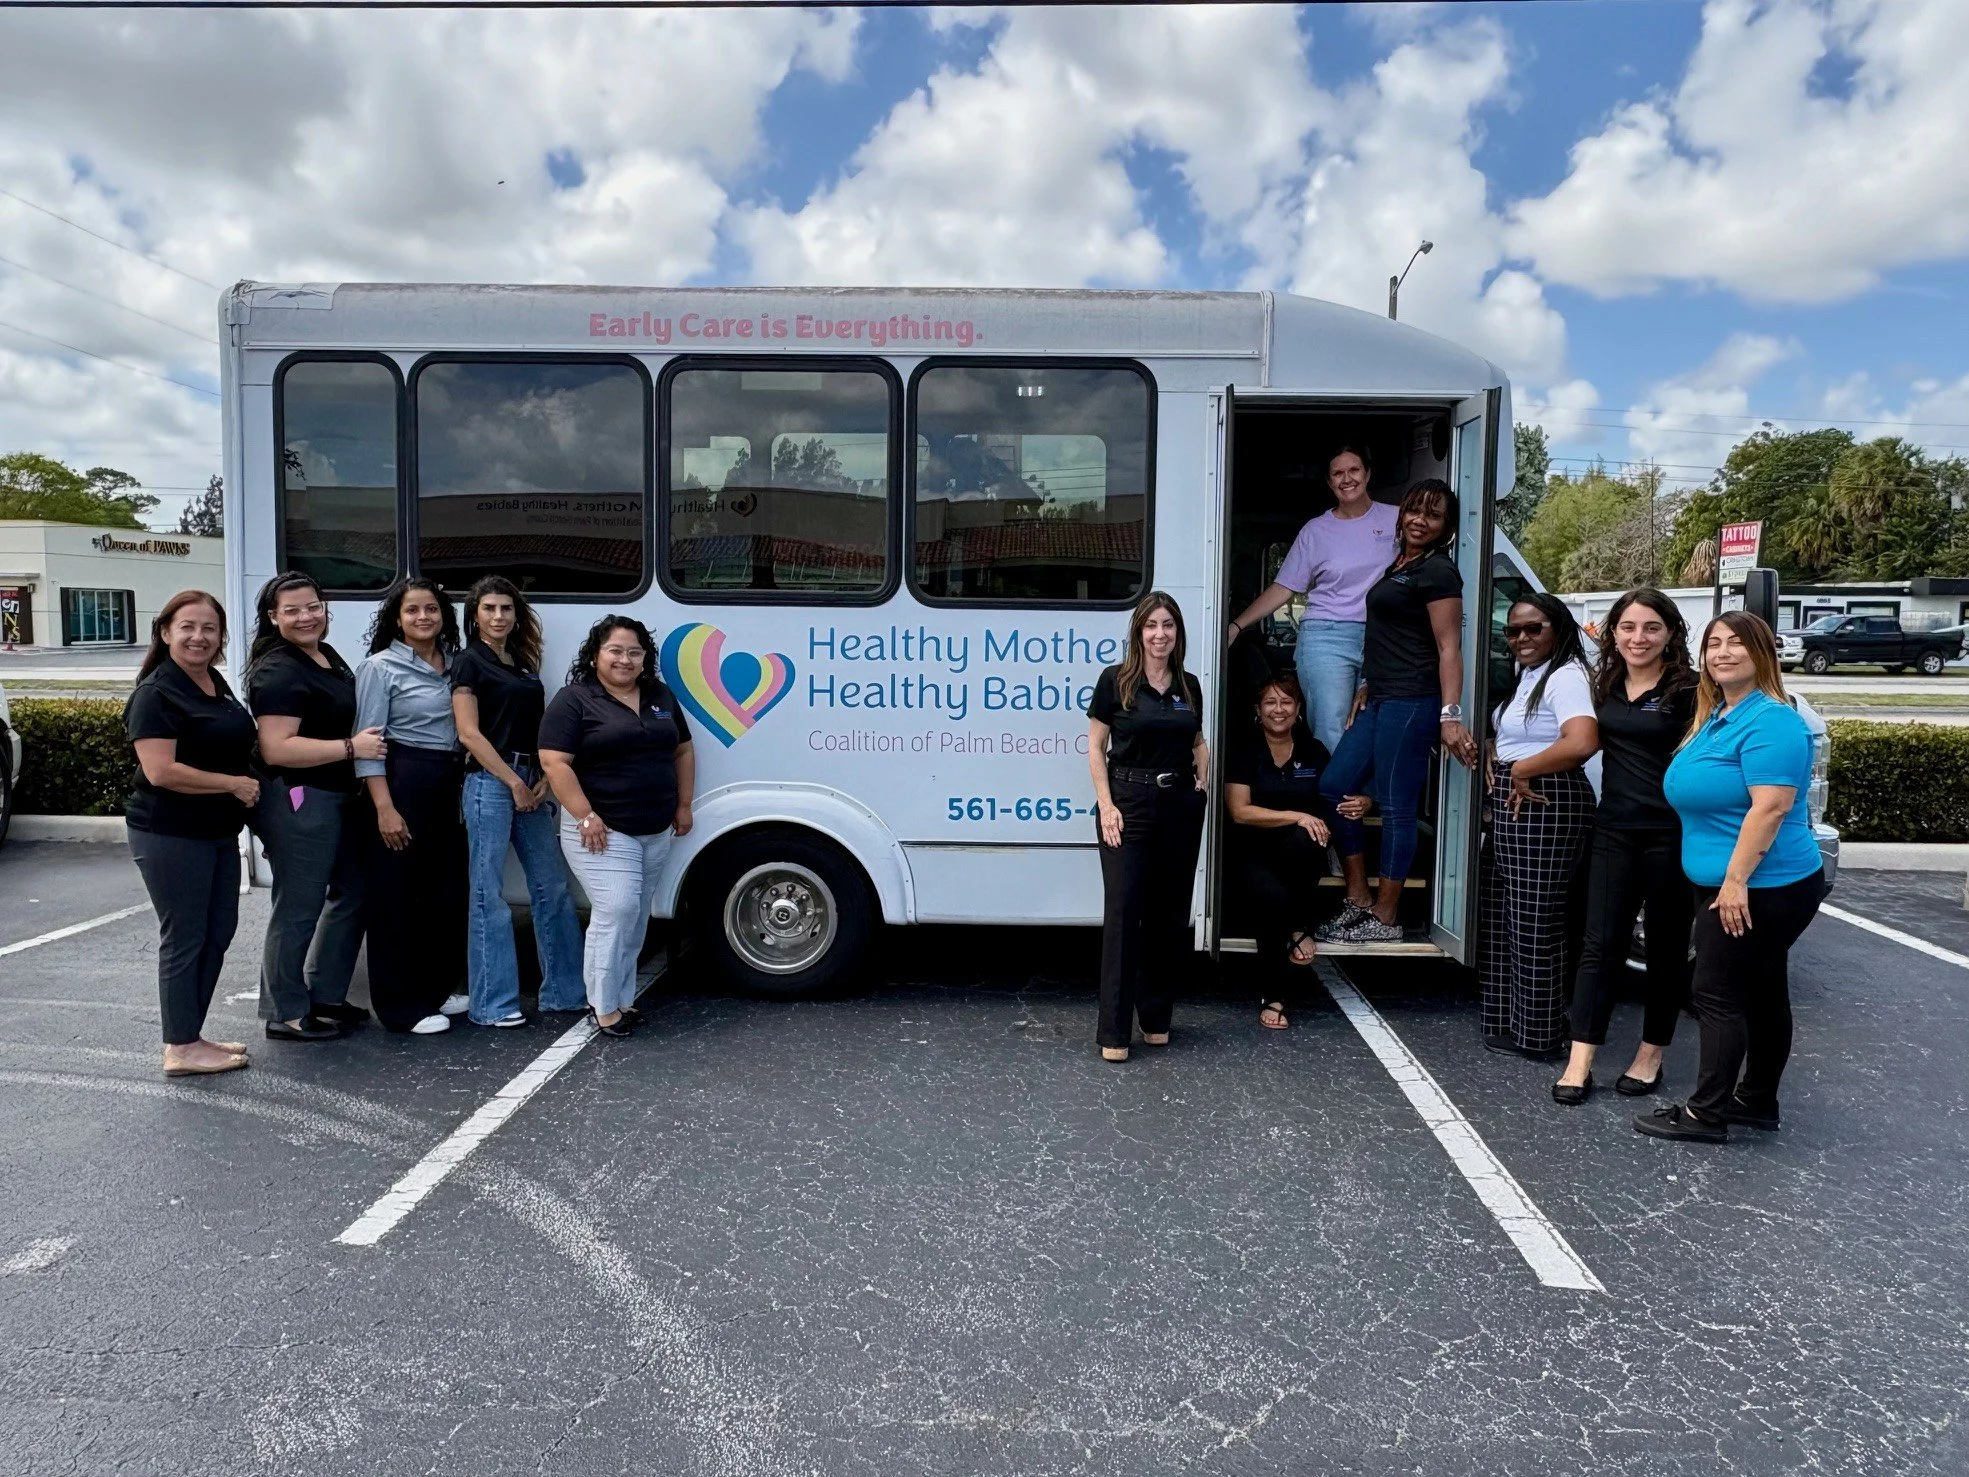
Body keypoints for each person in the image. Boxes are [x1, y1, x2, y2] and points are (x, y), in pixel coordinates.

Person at [1639, 612, 1826, 1144]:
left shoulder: (1773, 720)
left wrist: (1735, 881)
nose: (1722, 652)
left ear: (1763, 652)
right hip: (1732, 882)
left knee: (1715, 990)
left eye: (1737, 644)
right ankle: (1757, 1101)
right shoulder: (1720, 713)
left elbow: (1769, 809)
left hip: (1764, 885)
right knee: (1763, 989)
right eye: (1713, 644)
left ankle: (1707, 1114)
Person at [1315, 480, 1479, 944]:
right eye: (1414, 510)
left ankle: (1385, 918)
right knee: (1333, 785)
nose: (1420, 520)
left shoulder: (1439, 572)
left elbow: (1449, 648)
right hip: (1383, 696)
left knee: (1396, 807)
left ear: (1446, 527)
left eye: (1433, 515)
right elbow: (1394, 634)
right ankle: (1359, 896)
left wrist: (1450, 715)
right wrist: (1368, 682)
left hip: (1413, 701)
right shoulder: (1401, 564)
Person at [1553, 589, 1697, 1104]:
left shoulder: (1690, 691)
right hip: (1613, 829)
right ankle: (1580, 1059)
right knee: (1599, 947)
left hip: (1671, 835)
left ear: (1670, 634)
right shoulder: (1604, 684)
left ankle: (1650, 1053)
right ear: (1612, 632)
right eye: (1629, 627)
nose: (1639, 638)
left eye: (1651, 628)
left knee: (1665, 951)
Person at [245, 572, 385, 1043]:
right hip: (300, 797)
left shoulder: (324, 656)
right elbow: (277, 749)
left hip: (337, 797)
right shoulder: (279, 669)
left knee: (356, 891)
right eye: (292, 610)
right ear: (273, 617)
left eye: (313, 606)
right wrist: (352, 749)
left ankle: (324, 995)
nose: (306, 617)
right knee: (299, 906)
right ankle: (284, 1011)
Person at [539, 616, 696, 1039]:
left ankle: (622, 998)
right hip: (603, 829)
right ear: (595, 655)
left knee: (635, 917)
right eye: (615, 650)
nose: (625, 659)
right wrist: (585, 815)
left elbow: (682, 750)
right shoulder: (574, 700)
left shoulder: (659, 695)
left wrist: (683, 804)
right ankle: (603, 1006)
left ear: (645, 659)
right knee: (618, 909)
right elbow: (554, 762)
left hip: (656, 829)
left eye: (634, 652)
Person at [123, 591, 258, 1078]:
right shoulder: (156, 693)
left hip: (217, 832)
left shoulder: (211, 683)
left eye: (209, 628)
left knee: (216, 933)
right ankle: (179, 1046)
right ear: (165, 632)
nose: (199, 637)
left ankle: (192, 1034)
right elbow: (160, 771)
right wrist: (233, 784)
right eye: (188, 627)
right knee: (184, 937)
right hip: (171, 833)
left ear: (221, 637)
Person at [452, 576, 585, 1028]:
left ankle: (566, 993)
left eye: (506, 609)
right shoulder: (469, 663)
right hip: (491, 782)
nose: (498, 616)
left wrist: (544, 775)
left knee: (553, 887)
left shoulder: (522, 663)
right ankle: (493, 1004)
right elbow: (469, 733)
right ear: (474, 615)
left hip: (530, 779)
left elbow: (537, 724)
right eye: (489, 608)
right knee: (488, 893)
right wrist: (512, 781)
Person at [1087, 591, 1209, 1062]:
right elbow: (1096, 746)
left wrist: (1203, 764)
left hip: (1179, 803)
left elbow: (1196, 738)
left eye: (1169, 625)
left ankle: (1156, 1018)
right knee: (1124, 915)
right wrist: (1107, 805)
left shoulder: (1189, 685)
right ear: (1139, 632)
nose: (1161, 634)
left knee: (1170, 914)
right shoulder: (1115, 681)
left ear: (1178, 633)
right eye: (1152, 625)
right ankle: (1114, 1033)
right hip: (1128, 802)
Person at [1479, 593, 1599, 1061]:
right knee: (1505, 913)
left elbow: (1582, 740)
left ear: (1558, 629)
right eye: (1513, 631)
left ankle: (1540, 1035)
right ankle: (1513, 1022)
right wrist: (1496, 748)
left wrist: (1523, 768)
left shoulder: (1567, 675)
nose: (1522, 638)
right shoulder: (1531, 674)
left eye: (1534, 629)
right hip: (1519, 797)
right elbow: (1526, 732)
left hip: (1547, 800)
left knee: (1535, 922)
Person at [1228, 446, 1400, 753]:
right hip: (1327, 637)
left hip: (1383, 638)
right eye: (1338, 473)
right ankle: (1334, 800)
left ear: (1368, 473)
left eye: (1354, 470)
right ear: (1330, 482)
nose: (1347, 479)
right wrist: (1237, 626)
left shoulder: (1396, 520)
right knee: (1332, 729)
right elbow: (1283, 587)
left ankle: (1364, 801)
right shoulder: (1316, 530)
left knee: (1376, 724)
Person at [355, 577, 468, 1035]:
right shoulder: (379, 668)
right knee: (395, 900)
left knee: (443, 894)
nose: (424, 617)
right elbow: (369, 745)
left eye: (432, 609)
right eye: (412, 611)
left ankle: (436, 991)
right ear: (396, 619)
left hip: (448, 785)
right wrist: (384, 807)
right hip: (401, 782)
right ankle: (400, 1008)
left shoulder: (456, 666)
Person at [1224, 672, 1333, 1030]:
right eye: (1270, 702)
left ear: (1298, 709)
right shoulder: (1244, 749)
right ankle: (1279, 987)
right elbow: (1240, 811)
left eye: (1286, 702)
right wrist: (1297, 815)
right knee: (1272, 896)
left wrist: (1362, 801)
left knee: (1306, 841)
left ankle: (1294, 930)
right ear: (1258, 709)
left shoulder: (1315, 751)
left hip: (1299, 856)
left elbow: (1334, 798)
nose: (1278, 709)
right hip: (1253, 852)